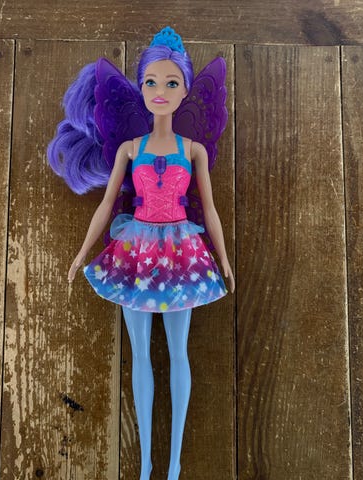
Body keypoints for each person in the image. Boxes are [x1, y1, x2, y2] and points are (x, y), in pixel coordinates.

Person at [48, 26, 234, 480]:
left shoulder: (193, 150)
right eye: (151, 82)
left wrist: (224, 261)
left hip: (182, 253)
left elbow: (209, 209)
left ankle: (173, 464)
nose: (160, 91)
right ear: (140, 87)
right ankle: (147, 462)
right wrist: (82, 252)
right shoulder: (131, 149)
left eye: (171, 82)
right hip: (135, 252)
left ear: (186, 91)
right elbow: (107, 204)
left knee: (178, 353)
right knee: (141, 356)